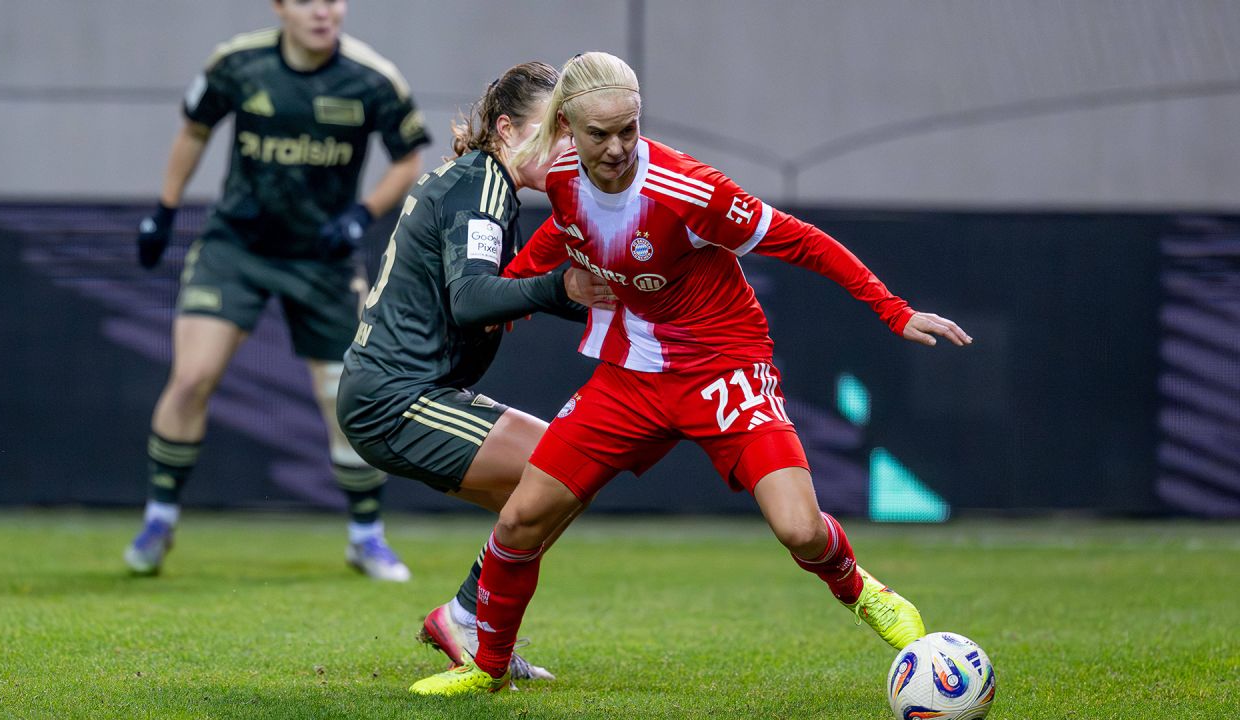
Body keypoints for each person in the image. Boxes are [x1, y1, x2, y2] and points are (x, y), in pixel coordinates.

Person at [408, 51, 974, 696]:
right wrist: (509, 296)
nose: (619, 146)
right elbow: (562, 235)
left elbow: (803, 241)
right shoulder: (561, 175)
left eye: (630, 127)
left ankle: (862, 591)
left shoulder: (689, 190)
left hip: (724, 369)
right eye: (600, 134)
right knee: (519, 520)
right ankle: (486, 668)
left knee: (799, 529)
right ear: (567, 126)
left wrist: (893, 311)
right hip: (631, 379)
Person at [124, 0, 428, 581]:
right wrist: (163, 213)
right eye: (308, 1)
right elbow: (194, 129)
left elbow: (407, 159)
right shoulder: (238, 63)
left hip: (322, 257)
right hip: (236, 247)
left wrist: (363, 215)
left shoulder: (373, 77)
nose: (324, 12)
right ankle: (159, 520)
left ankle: (367, 537)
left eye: (334, 0)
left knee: (345, 397)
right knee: (191, 377)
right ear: (281, 7)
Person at [336, 61, 613, 682]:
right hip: (394, 397)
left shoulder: (483, 184)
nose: (566, 149)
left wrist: (607, 298)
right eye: (554, 132)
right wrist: (562, 286)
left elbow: (502, 293)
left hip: (404, 392)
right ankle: (466, 617)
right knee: (561, 467)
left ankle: (472, 622)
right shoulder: (482, 185)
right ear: (506, 128)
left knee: (550, 497)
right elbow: (473, 298)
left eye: (570, 134)